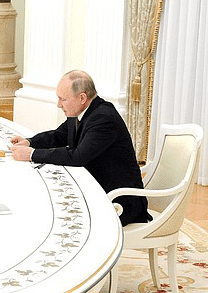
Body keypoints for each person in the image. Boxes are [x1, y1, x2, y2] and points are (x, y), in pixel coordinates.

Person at [9, 70, 151, 227]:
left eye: (63, 99)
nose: (59, 104)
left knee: (54, 212)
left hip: (120, 202)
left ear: (82, 97)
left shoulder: (103, 118)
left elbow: (78, 157)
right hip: (97, 189)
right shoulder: (83, 112)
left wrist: (32, 155)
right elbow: (59, 136)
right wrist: (29, 142)